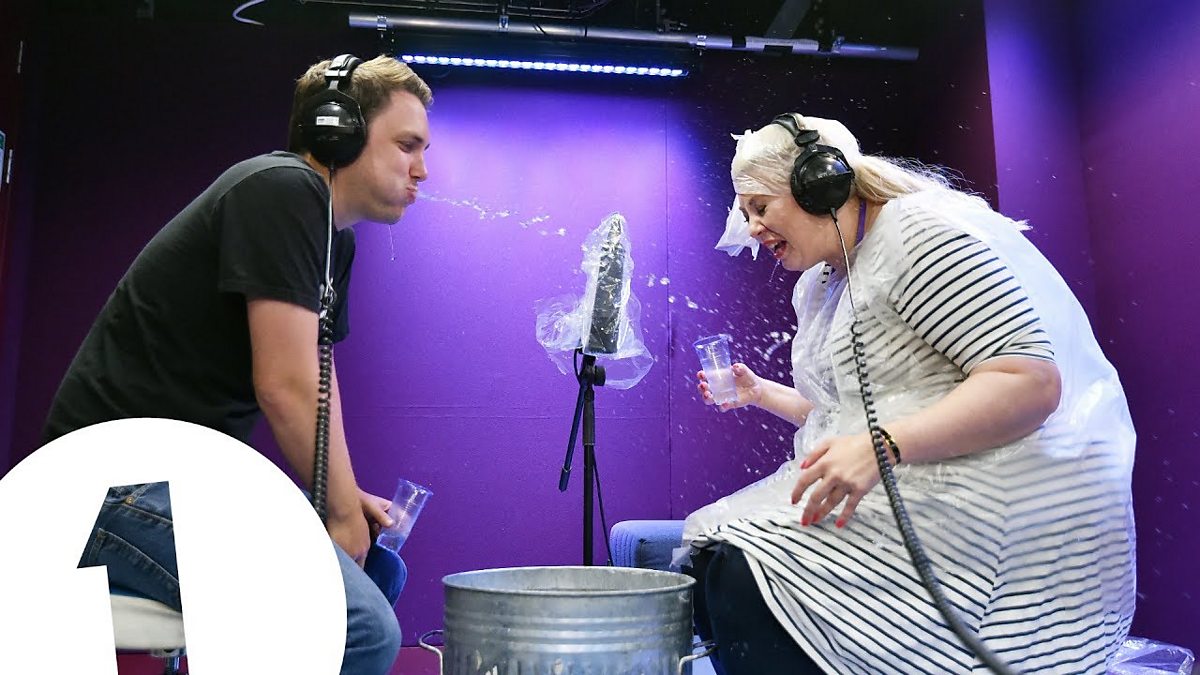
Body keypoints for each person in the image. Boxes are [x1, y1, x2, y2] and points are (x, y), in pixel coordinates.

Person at [686, 113, 1136, 675]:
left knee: (741, 570)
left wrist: (882, 445)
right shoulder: (825, 282)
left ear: (819, 183)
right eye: (745, 212)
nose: (752, 227)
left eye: (760, 207)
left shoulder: (916, 236)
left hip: (988, 518)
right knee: (709, 563)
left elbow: (1029, 383)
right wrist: (762, 393)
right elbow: (849, 415)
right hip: (917, 487)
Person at [41, 54, 431, 675]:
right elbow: (285, 384)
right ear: (339, 132)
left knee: (380, 573)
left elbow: (317, 377)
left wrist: (345, 496)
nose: (422, 169)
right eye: (407, 145)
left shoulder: (334, 238)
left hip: (173, 484)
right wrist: (334, 510)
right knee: (359, 628)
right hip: (104, 492)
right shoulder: (283, 191)